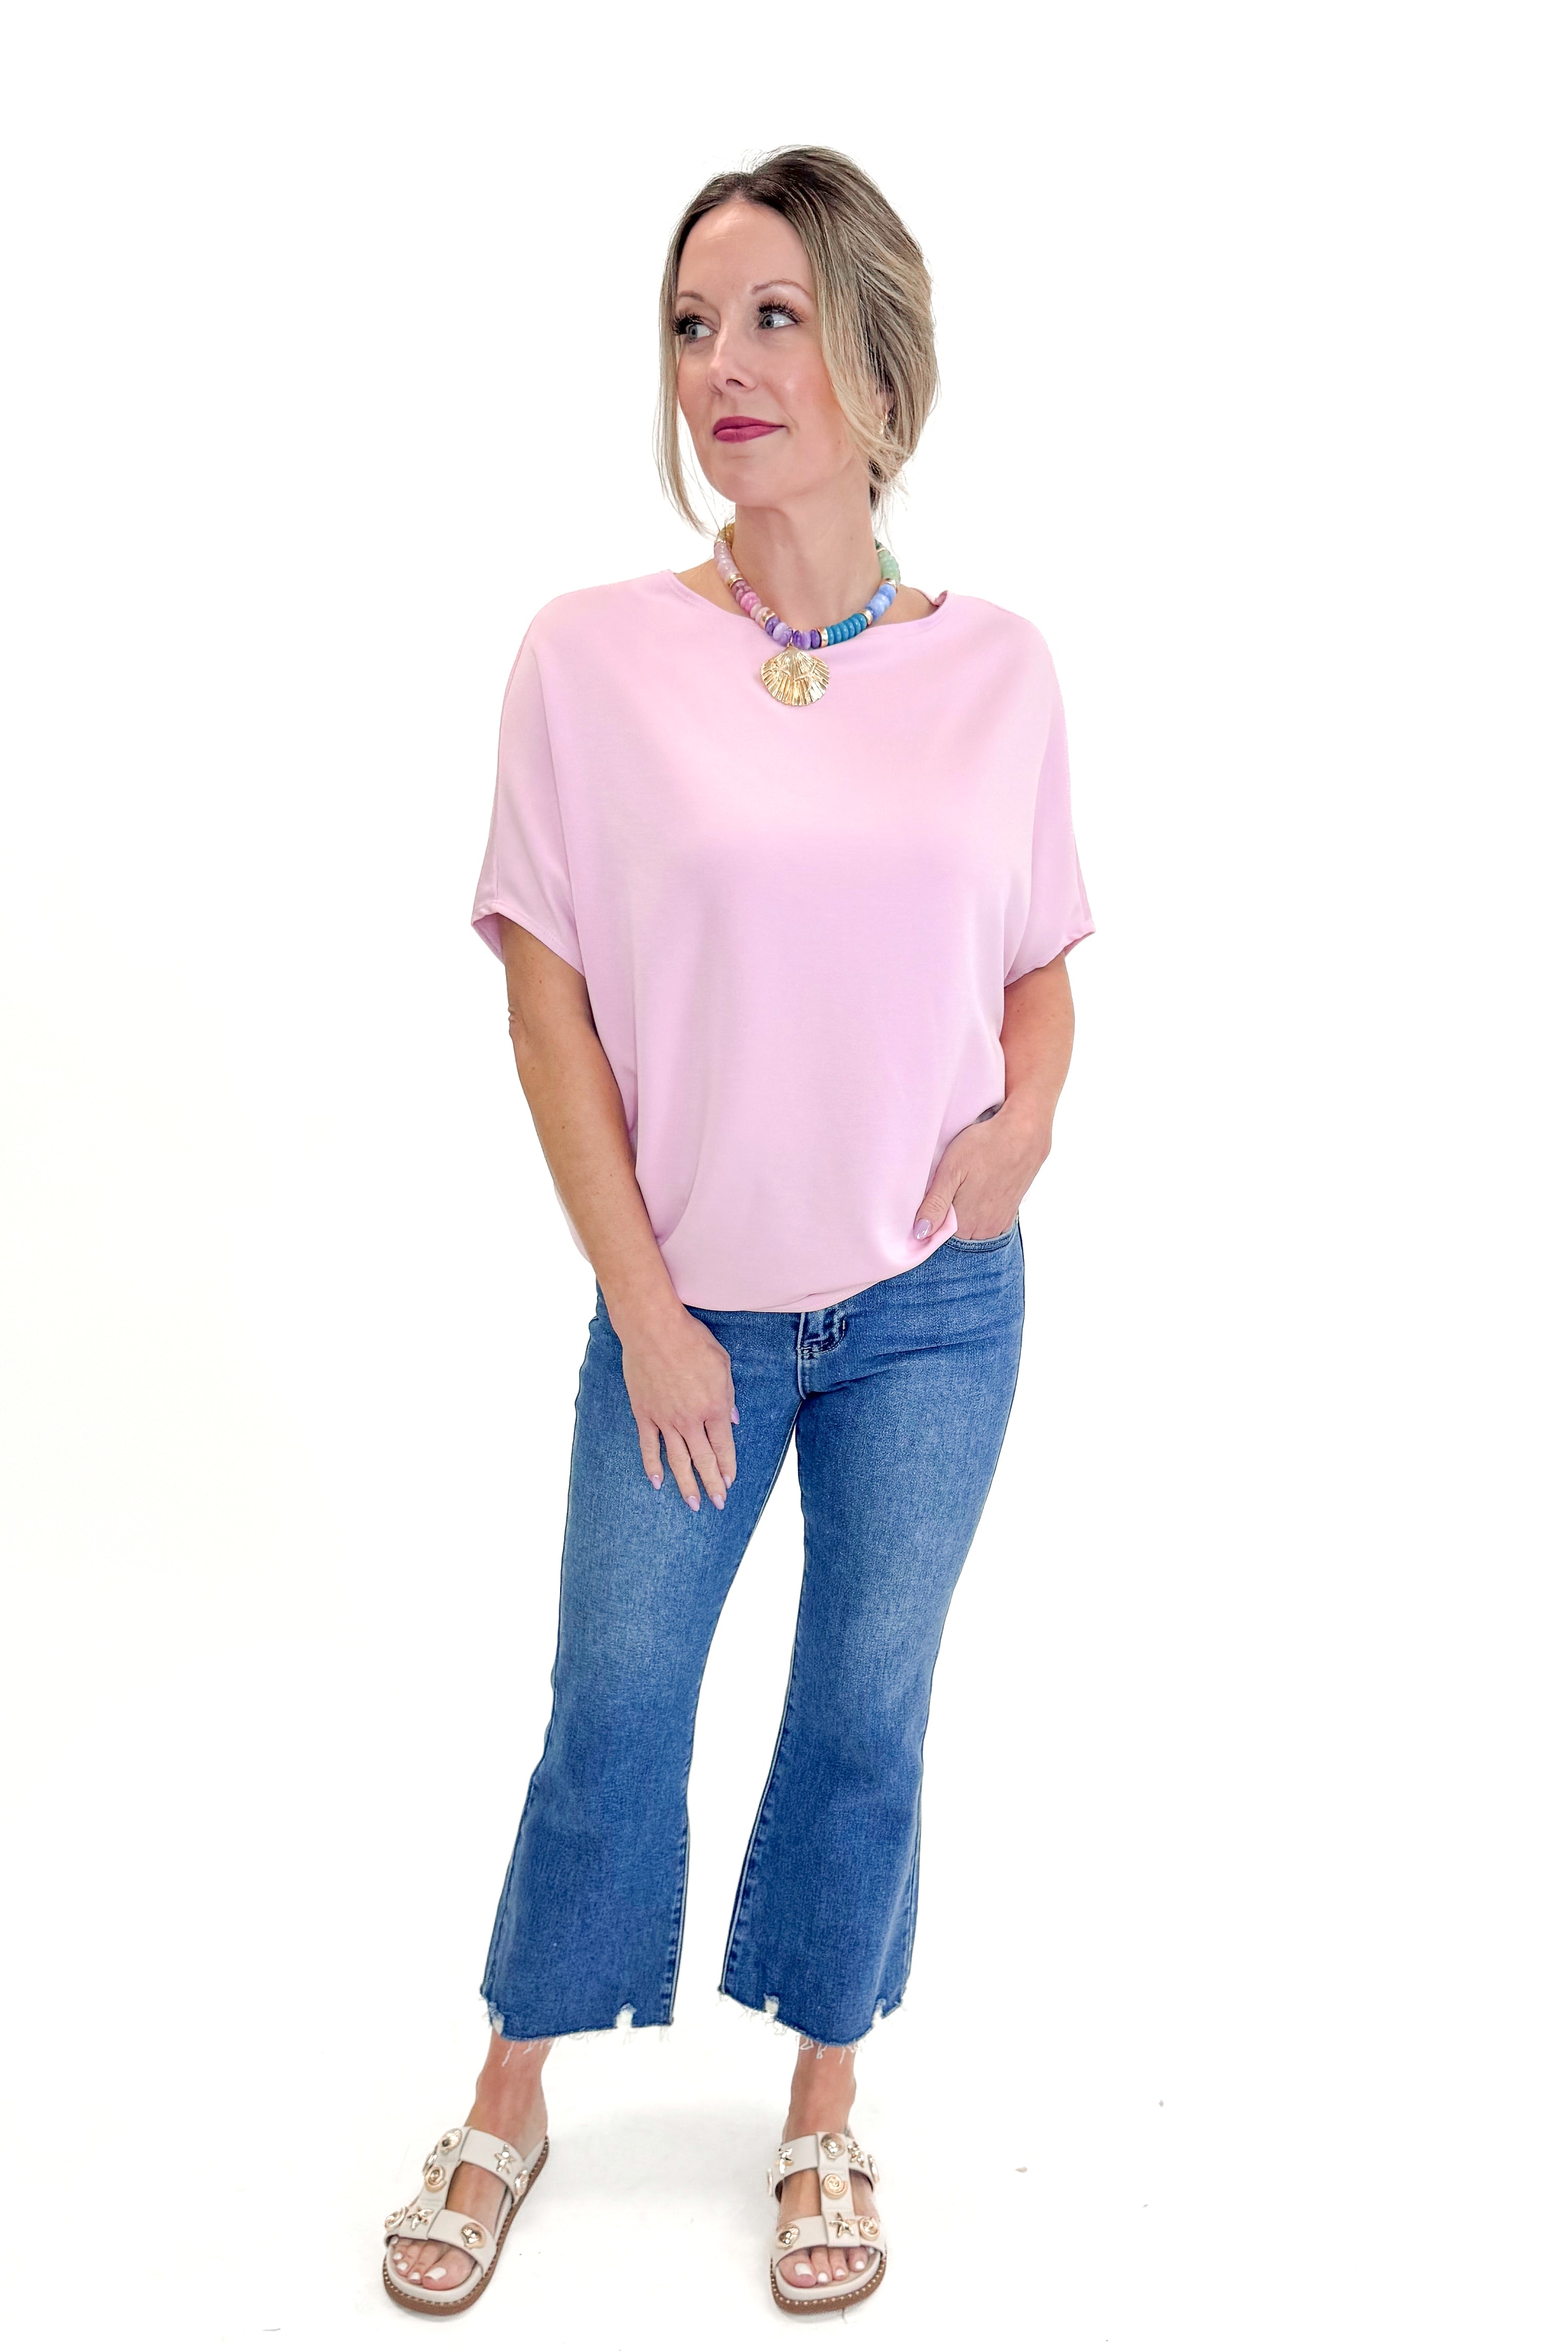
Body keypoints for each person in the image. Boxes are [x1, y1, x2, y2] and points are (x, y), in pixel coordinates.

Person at [382, 144, 1093, 2319]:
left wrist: (1030, 1119)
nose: (722, 366)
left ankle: (821, 2112)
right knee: (613, 1701)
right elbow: (547, 1006)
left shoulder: (998, 670)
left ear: (880, 364)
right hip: (687, 1306)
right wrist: (646, 1307)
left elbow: (1038, 960)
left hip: (931, 1312)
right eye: (694, 325)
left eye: (773, 316)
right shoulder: (590, 660)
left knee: (867, 1712)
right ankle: (508, 2095)